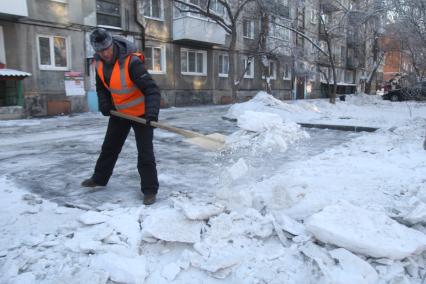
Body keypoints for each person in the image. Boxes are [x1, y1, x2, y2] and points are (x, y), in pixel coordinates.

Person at [81, 28, 160, 205]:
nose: (105, 53)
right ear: (96, 50)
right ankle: (99, 178)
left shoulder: (131, 62)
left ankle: (150, 190)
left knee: (145, 153)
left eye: (107, 48)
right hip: (120, 113)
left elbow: (152, 90)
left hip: (142, 114)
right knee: (109, 147)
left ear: (112, 44)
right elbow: (101, 87)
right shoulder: (99, 63)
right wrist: (105, 104)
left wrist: (152, 114)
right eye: (101, 51)